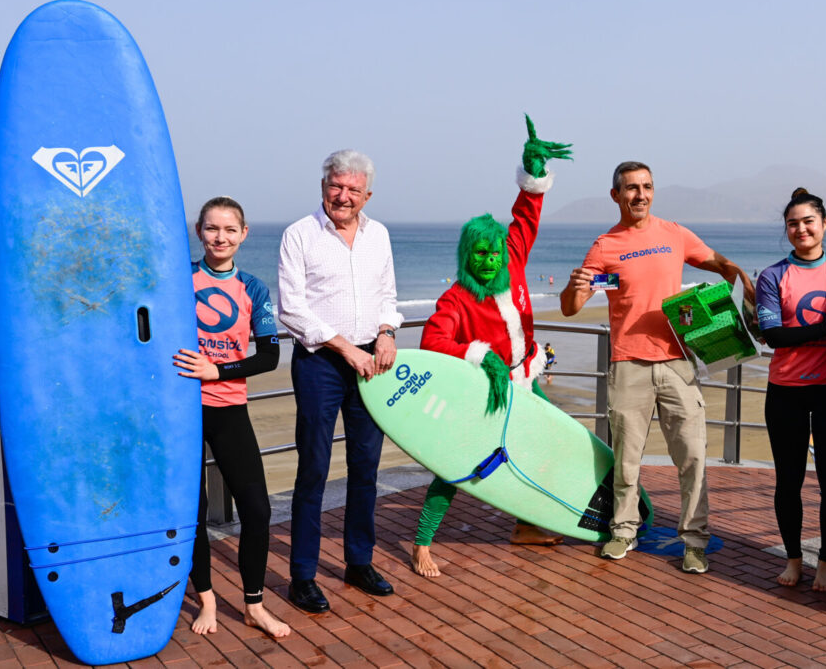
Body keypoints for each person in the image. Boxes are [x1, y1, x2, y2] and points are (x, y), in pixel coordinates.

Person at [560, 161, 754, 573]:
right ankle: (623, 531)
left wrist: (744, 288)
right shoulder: (604, 246)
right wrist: (574, 289)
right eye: (631, 188)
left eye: (647, 187)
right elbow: (571, 307)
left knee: (692, 457)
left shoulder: (674, 234)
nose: (640, 195)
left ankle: (695, 541)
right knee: (627, 460)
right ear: (616, 195)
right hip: (628, 364)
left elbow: (718, 264)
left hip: (677, 363)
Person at [410, 116, 572, 578]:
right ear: (467, 256)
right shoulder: (456, 297)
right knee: (459, 463)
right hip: (487, 390)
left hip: (526, 378)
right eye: (480, 254)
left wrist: (532, 170)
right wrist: (481, 356)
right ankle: (422, 543)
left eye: (495, 251)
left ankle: (527, 525)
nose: (490, 260)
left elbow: (527, 214)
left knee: (548, 444)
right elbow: (432, 340)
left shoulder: (516, 260)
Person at [278, 149, 403, 613]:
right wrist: (347, 348)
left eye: (353, 189)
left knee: (366, 468)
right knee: (313, 470)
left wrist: (387, 332)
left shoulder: (380, 236)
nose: (343, 196)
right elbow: (291, 308)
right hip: (320, 364)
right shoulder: (299, 235)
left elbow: (387, 296)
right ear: (323, 186)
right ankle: (303, 576)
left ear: (367, 193)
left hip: (372, 363)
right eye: (336, 186)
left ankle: (358, 561)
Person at [172, 196, 289, 638]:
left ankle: (254, 604)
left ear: (243, 234)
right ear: (199, 232)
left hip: (229, 407)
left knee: (257, 510)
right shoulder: (178, 278)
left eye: (229, 229)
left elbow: (270, 356)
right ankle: (206, 598)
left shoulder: (254, 289)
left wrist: (217, 369)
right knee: (193, 510)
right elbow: (117, 302)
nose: (220, 237)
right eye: (211, 228)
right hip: (182, 409)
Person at [756, 188, 826, 592]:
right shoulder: (773, 276)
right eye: (793, 224)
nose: (801, 229)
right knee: (789, 481)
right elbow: (773, 335)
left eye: (808, 222)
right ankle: (794, 559)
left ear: (824, 224)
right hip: (786, 392)